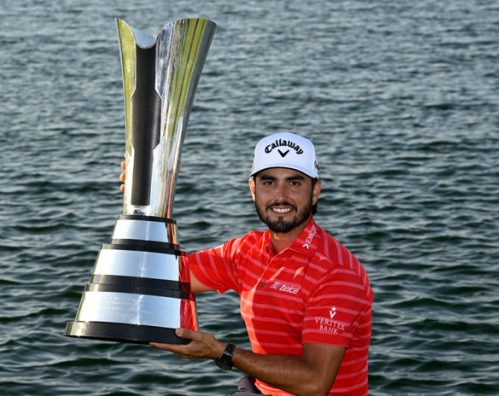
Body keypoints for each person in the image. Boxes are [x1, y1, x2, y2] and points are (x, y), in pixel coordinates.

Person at [120, 132, 374, 395]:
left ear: (315, 192)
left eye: (294, 183)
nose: (280, 196)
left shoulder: (336, 272)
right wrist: (144, 200)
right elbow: (154, 276)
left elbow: (315, 383)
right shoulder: (247, 251)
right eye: (269, 182)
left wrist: (222, 352)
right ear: (253, 189)